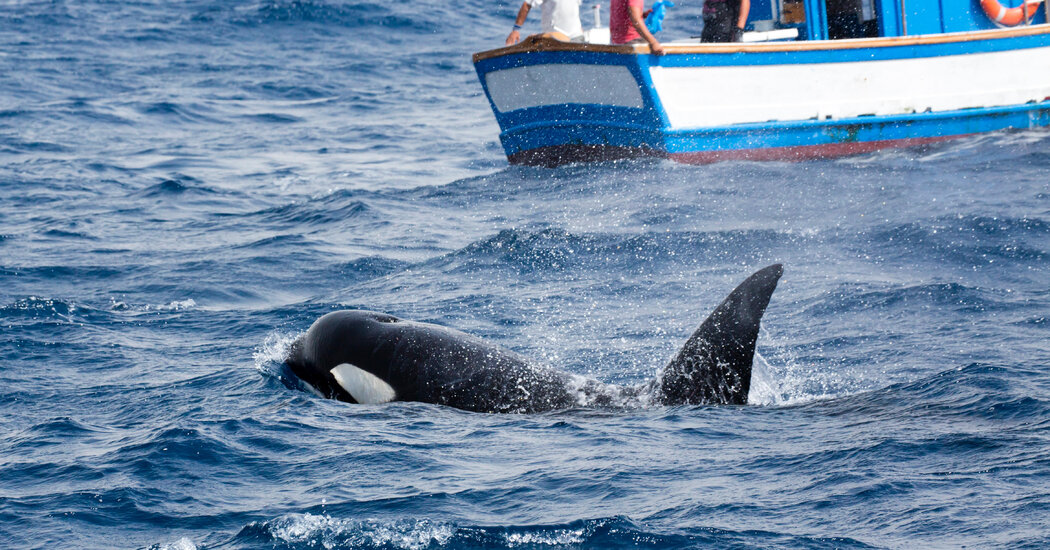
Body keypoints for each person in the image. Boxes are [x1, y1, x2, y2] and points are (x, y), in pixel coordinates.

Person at [506, 0, 584, 45]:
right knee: (532, 40)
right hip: (554, 39)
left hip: (577, 37)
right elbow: (527, 5)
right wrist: (516, 30)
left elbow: (573, 12)